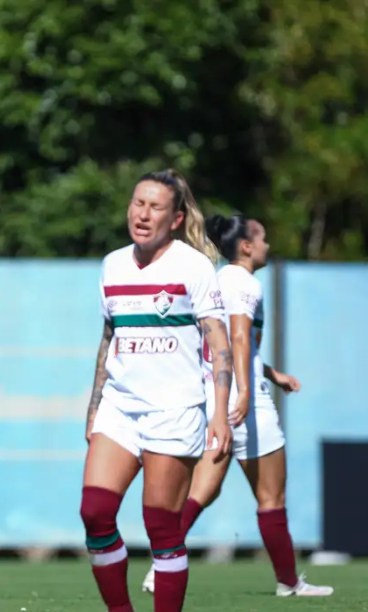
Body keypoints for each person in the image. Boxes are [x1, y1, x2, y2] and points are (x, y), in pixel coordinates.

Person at [139, 214, 333, 598]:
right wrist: (245, 392)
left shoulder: (216, 279)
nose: (267, 245)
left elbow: (224, 344)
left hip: (214, 399)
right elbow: (240, 338)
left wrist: (273, 374)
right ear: (246, 246)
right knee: (271, 498)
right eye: (262, 239)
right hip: (245, 404)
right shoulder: (245, 283)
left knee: (201, 492)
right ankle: (288, 582)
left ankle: (161, 567)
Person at [79, 169, 233, 612]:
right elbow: (109, 338)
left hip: (175, 410)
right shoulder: (112, 264)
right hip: (119, 408)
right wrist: (94, 407)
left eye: (155, 207)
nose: (143, 214)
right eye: (138, 203)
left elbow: (219, 344)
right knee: (94, 513)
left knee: (161, 527)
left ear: (176, 218)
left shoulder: (193, 266)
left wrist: (219, 413)